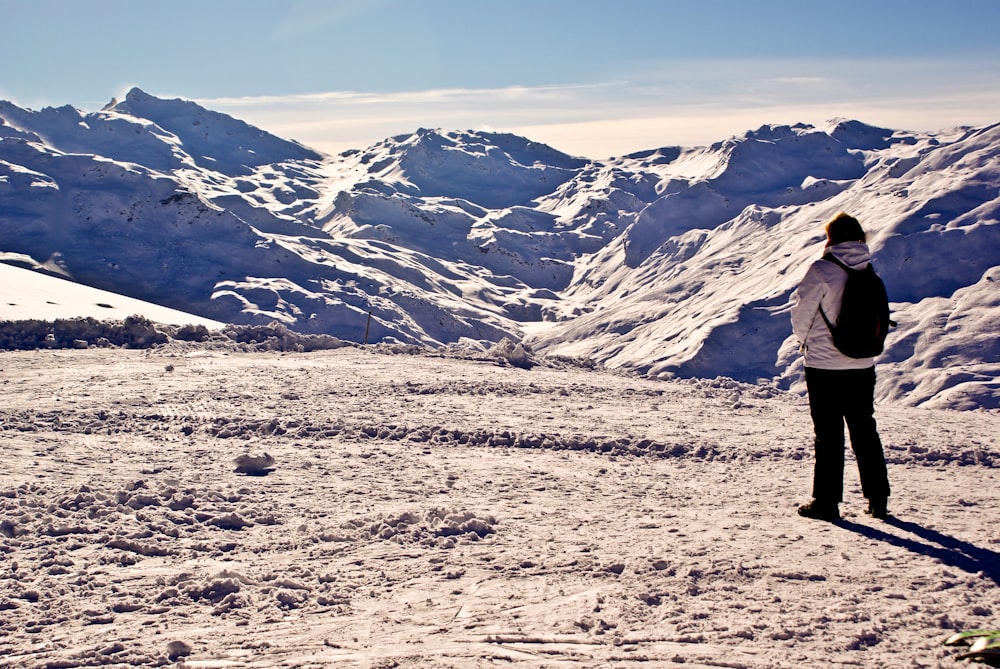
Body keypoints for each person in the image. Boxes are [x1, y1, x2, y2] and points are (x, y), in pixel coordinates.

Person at [790, 212, 890, 521]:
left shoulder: (822, 270)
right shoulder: (868, 270)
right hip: (862, 364)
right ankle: (878, 499)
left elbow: (801, 314)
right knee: (864, 429)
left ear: (831, 237)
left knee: (829, 433)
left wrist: (805, 342)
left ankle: (826, 502)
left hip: (824, 365)